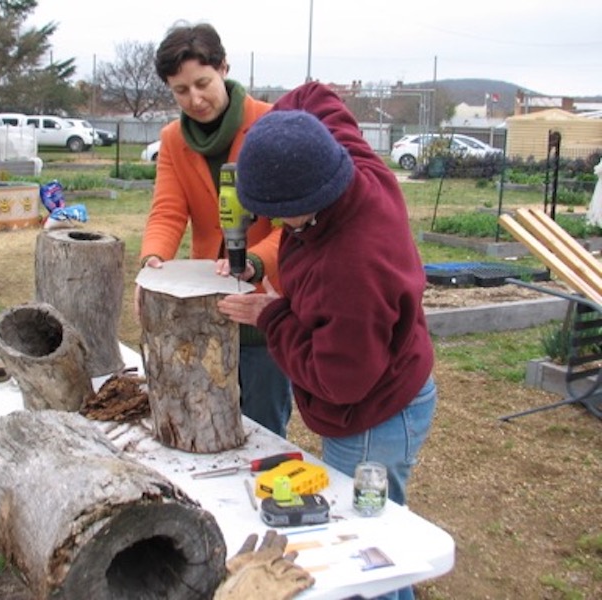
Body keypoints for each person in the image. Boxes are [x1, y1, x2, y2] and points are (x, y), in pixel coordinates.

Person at [218, 83, 437, 600]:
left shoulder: (351, 266)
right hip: (390, 373)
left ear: (308, 201)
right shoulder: (341, 159)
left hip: (374, 414)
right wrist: (272, 141)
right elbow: (313, 95)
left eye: (278, 214)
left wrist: (274, 318)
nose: (269, 225)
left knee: (364, 547)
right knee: (375, 535)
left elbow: (339, 380)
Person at [137, 22, 292, 437]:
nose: (195, 98)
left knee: (264, 429)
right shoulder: (173, 139)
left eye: (202, 83)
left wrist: (257, 262)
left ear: (224, 67)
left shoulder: (270, 123)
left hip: (267, 301)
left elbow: (293, 224)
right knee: (206, 419)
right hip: (206, 307)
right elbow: (168, 211)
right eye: (180, 91)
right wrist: (153, 262)